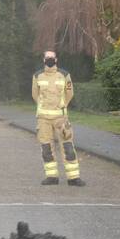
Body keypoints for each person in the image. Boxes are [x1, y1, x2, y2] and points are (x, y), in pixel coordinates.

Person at [33, 50, 85, 186]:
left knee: (68, 146)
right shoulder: (37, 76)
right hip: (43, 119)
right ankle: (51, 177)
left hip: (61, 118)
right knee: (46, 148)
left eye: (52, 57)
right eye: (47, 57)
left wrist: (62, 106)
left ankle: (73, 178)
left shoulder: (64, 75)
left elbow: (69, 93)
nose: (50, 59)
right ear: (44, 60)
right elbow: (35, 95)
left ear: (56, 59)